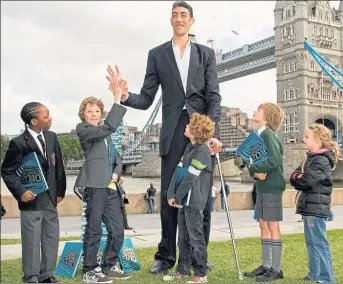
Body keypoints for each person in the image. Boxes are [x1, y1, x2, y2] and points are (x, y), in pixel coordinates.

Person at [106, 1, 222, 274]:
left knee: (201, 197)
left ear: (192, 21)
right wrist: (124, 96)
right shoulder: (156, 54)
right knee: (169, 195)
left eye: (184, 15)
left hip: (199, 129)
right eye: (175, 15)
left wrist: (211, 130)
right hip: (172, 130)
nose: (179, 18)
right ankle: (166, 256)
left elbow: (214, 95)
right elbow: (146, 98)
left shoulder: (206, 54)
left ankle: (198, 258)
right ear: (171, 20)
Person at [1, 102, 66, 283]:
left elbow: (58, 166)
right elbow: (7, 171)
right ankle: (31, 277)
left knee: (51, 238)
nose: (50, 118)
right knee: (31, 241)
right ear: (34, 121)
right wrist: (21, 192)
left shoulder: (52, 137)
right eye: (46, 116)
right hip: (31, 200)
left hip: (51, 199)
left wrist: (60, 192)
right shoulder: (19, 143)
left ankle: (47, 276)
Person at [75, 72, 130, 283]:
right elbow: (110, 126)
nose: (94, 114)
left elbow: (117, 157)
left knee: (117, 230)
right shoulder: (84, 130)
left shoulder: (106, 136)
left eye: (97, 111)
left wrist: (117, 172)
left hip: (111, 187)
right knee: (94, 229)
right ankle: (89, 270)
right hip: (95, 186)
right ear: (83, 114)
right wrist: (117, 98)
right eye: (89, 111)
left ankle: (108, 266)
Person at [290, 123, 343, 283]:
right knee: (311, 242)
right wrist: (296, 177)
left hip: (315, 209)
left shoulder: (320, 160)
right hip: (309, 207)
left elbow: (306, 181)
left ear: (318, 140)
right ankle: (314, 273)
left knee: (319, 243)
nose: (303, 139)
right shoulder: (311, 158)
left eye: (307, 137)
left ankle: (327, 278)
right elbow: (294, 175)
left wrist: (297, 177)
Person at [165, 113, 214, 283]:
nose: (185, 127)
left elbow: (190, 178)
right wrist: (171, 193)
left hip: (193, 200)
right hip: (183, 200)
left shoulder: (202, 152)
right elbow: (178, 172)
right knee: (183, 237)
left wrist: (178, 197)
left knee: (196, 237)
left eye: (188, 125)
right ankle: (183, 269)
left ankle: (201, 273)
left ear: (194, 131)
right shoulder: (189, 148)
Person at [244, 102, 285, 282]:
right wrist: (255, 170)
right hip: (261, 187)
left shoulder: (268, 134)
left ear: (267, 117)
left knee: (272, 226)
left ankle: (276, 268)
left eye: (259, 109)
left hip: (272, 186)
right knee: (263, 225)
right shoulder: (258, 135)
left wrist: (257, 168)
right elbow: (253, 163)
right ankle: (266, 265)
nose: (255, 110)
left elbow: (275, 160)